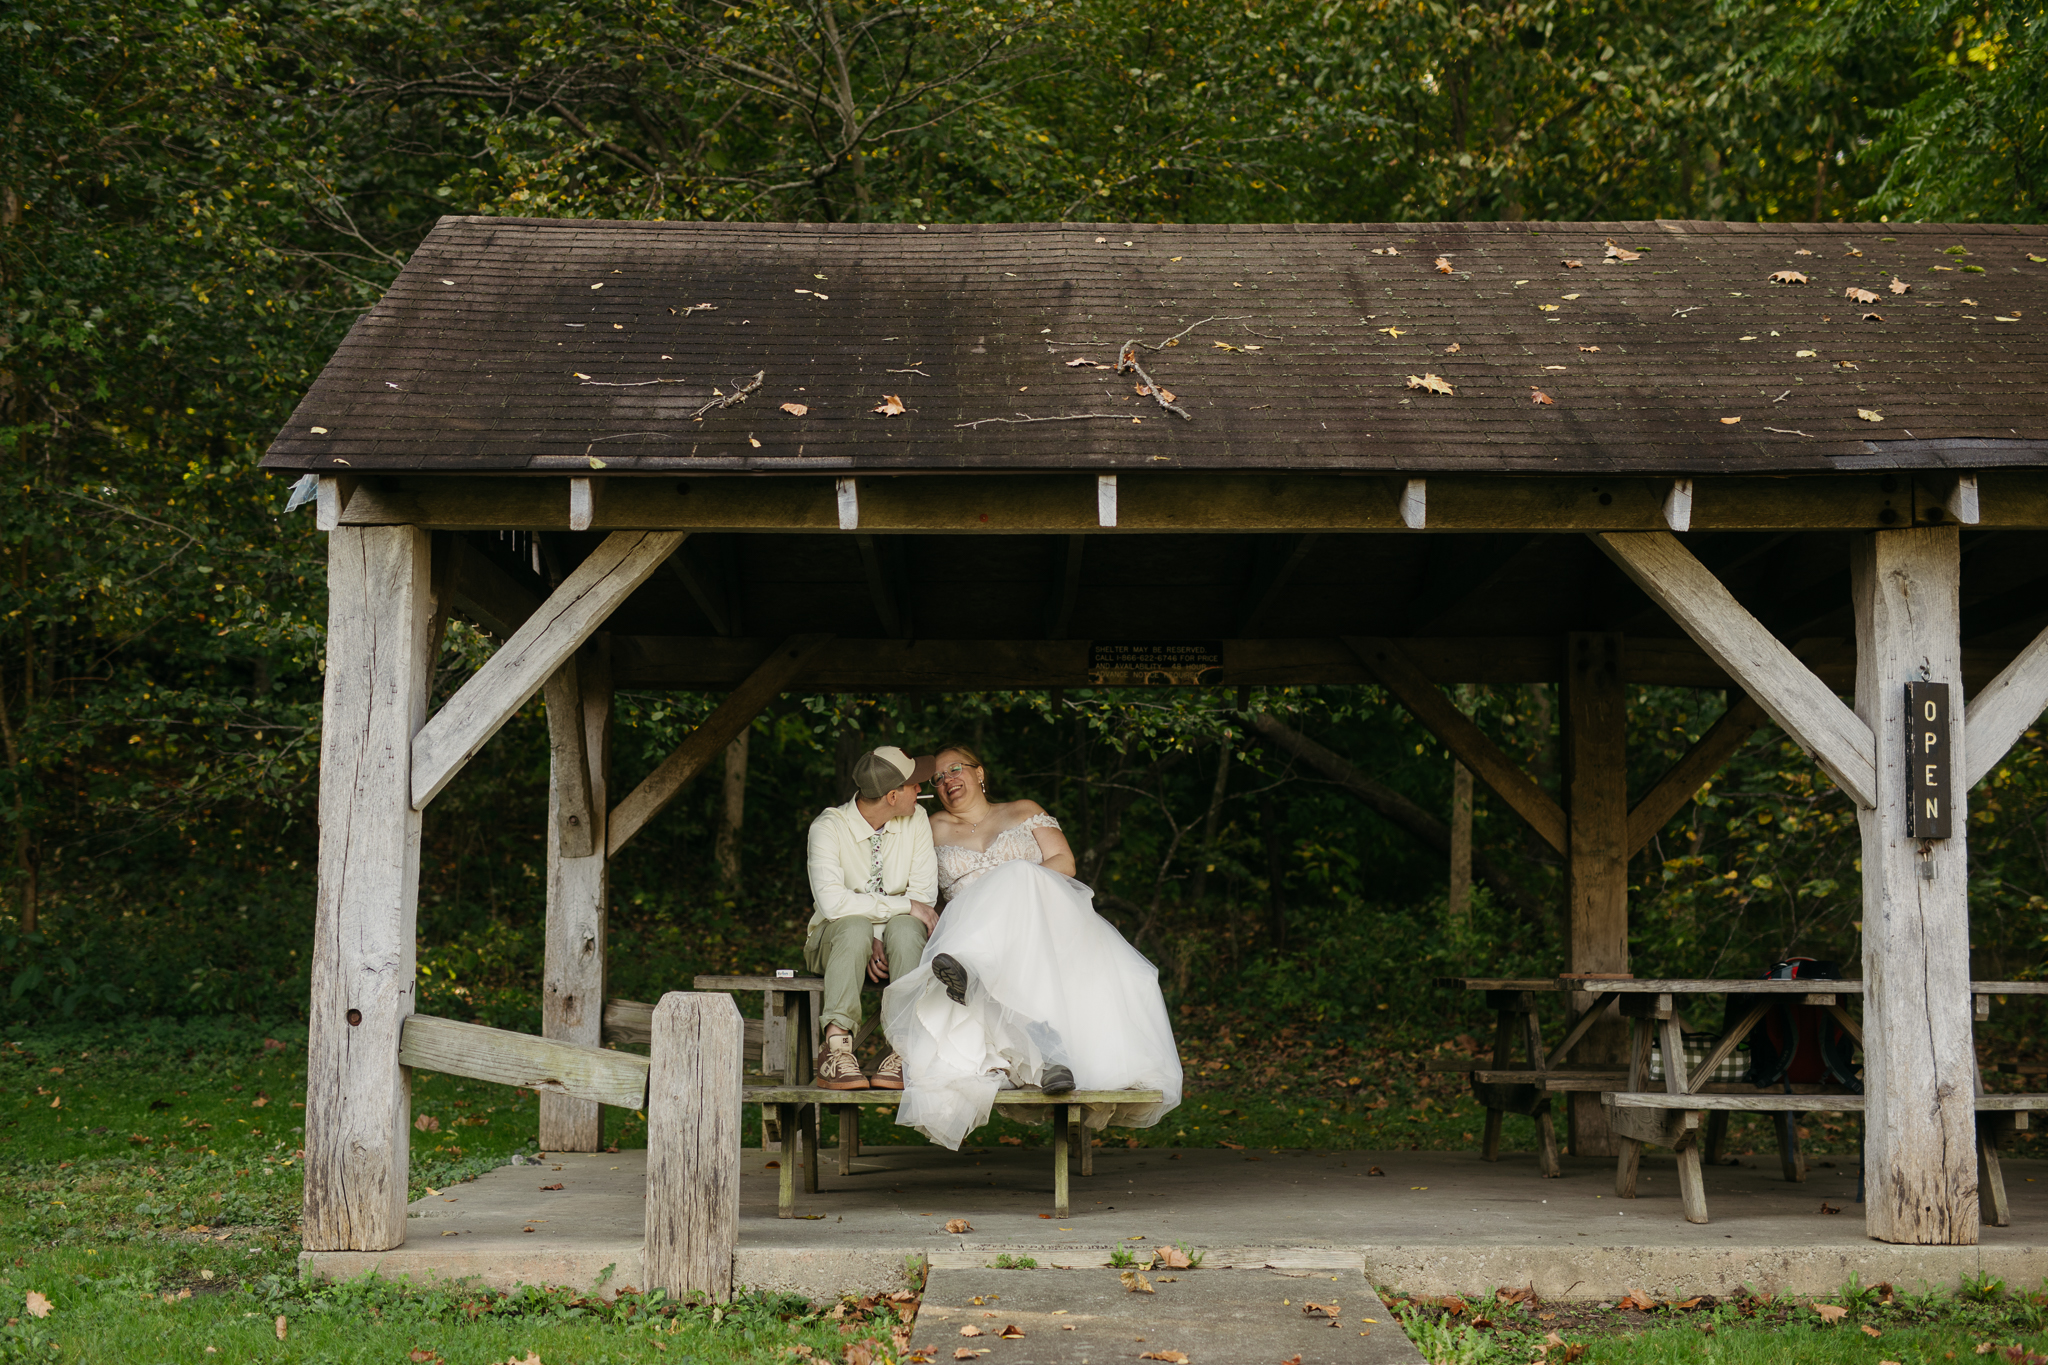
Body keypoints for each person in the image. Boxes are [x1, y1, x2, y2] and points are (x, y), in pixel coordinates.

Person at [880, 743, 1182, 1149]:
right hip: (969, 930)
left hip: (1045, 922)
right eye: (938, 777)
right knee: (1007, 953)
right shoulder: (929, 827)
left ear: (980, 772)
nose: (948, 780)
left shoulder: (1023, 810)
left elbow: (1064, 861)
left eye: (956, 769)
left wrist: (1014, 883)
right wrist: (880, 933)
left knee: (1019, 875)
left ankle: (976, 973)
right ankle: (1049, 1059)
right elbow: (906, 884)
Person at [802, 744, 939, 1091]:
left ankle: (905, 1051)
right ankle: (835, 1050)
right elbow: (833, 904)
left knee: (907, 928)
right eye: (913, 785)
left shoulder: (916, 819)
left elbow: (923, 897)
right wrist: (880, 926)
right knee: (853, 926)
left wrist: (880, 934)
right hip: (833, 944)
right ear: (893, 795)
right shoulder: (827, 827)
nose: (920, 790)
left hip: (897, 942)